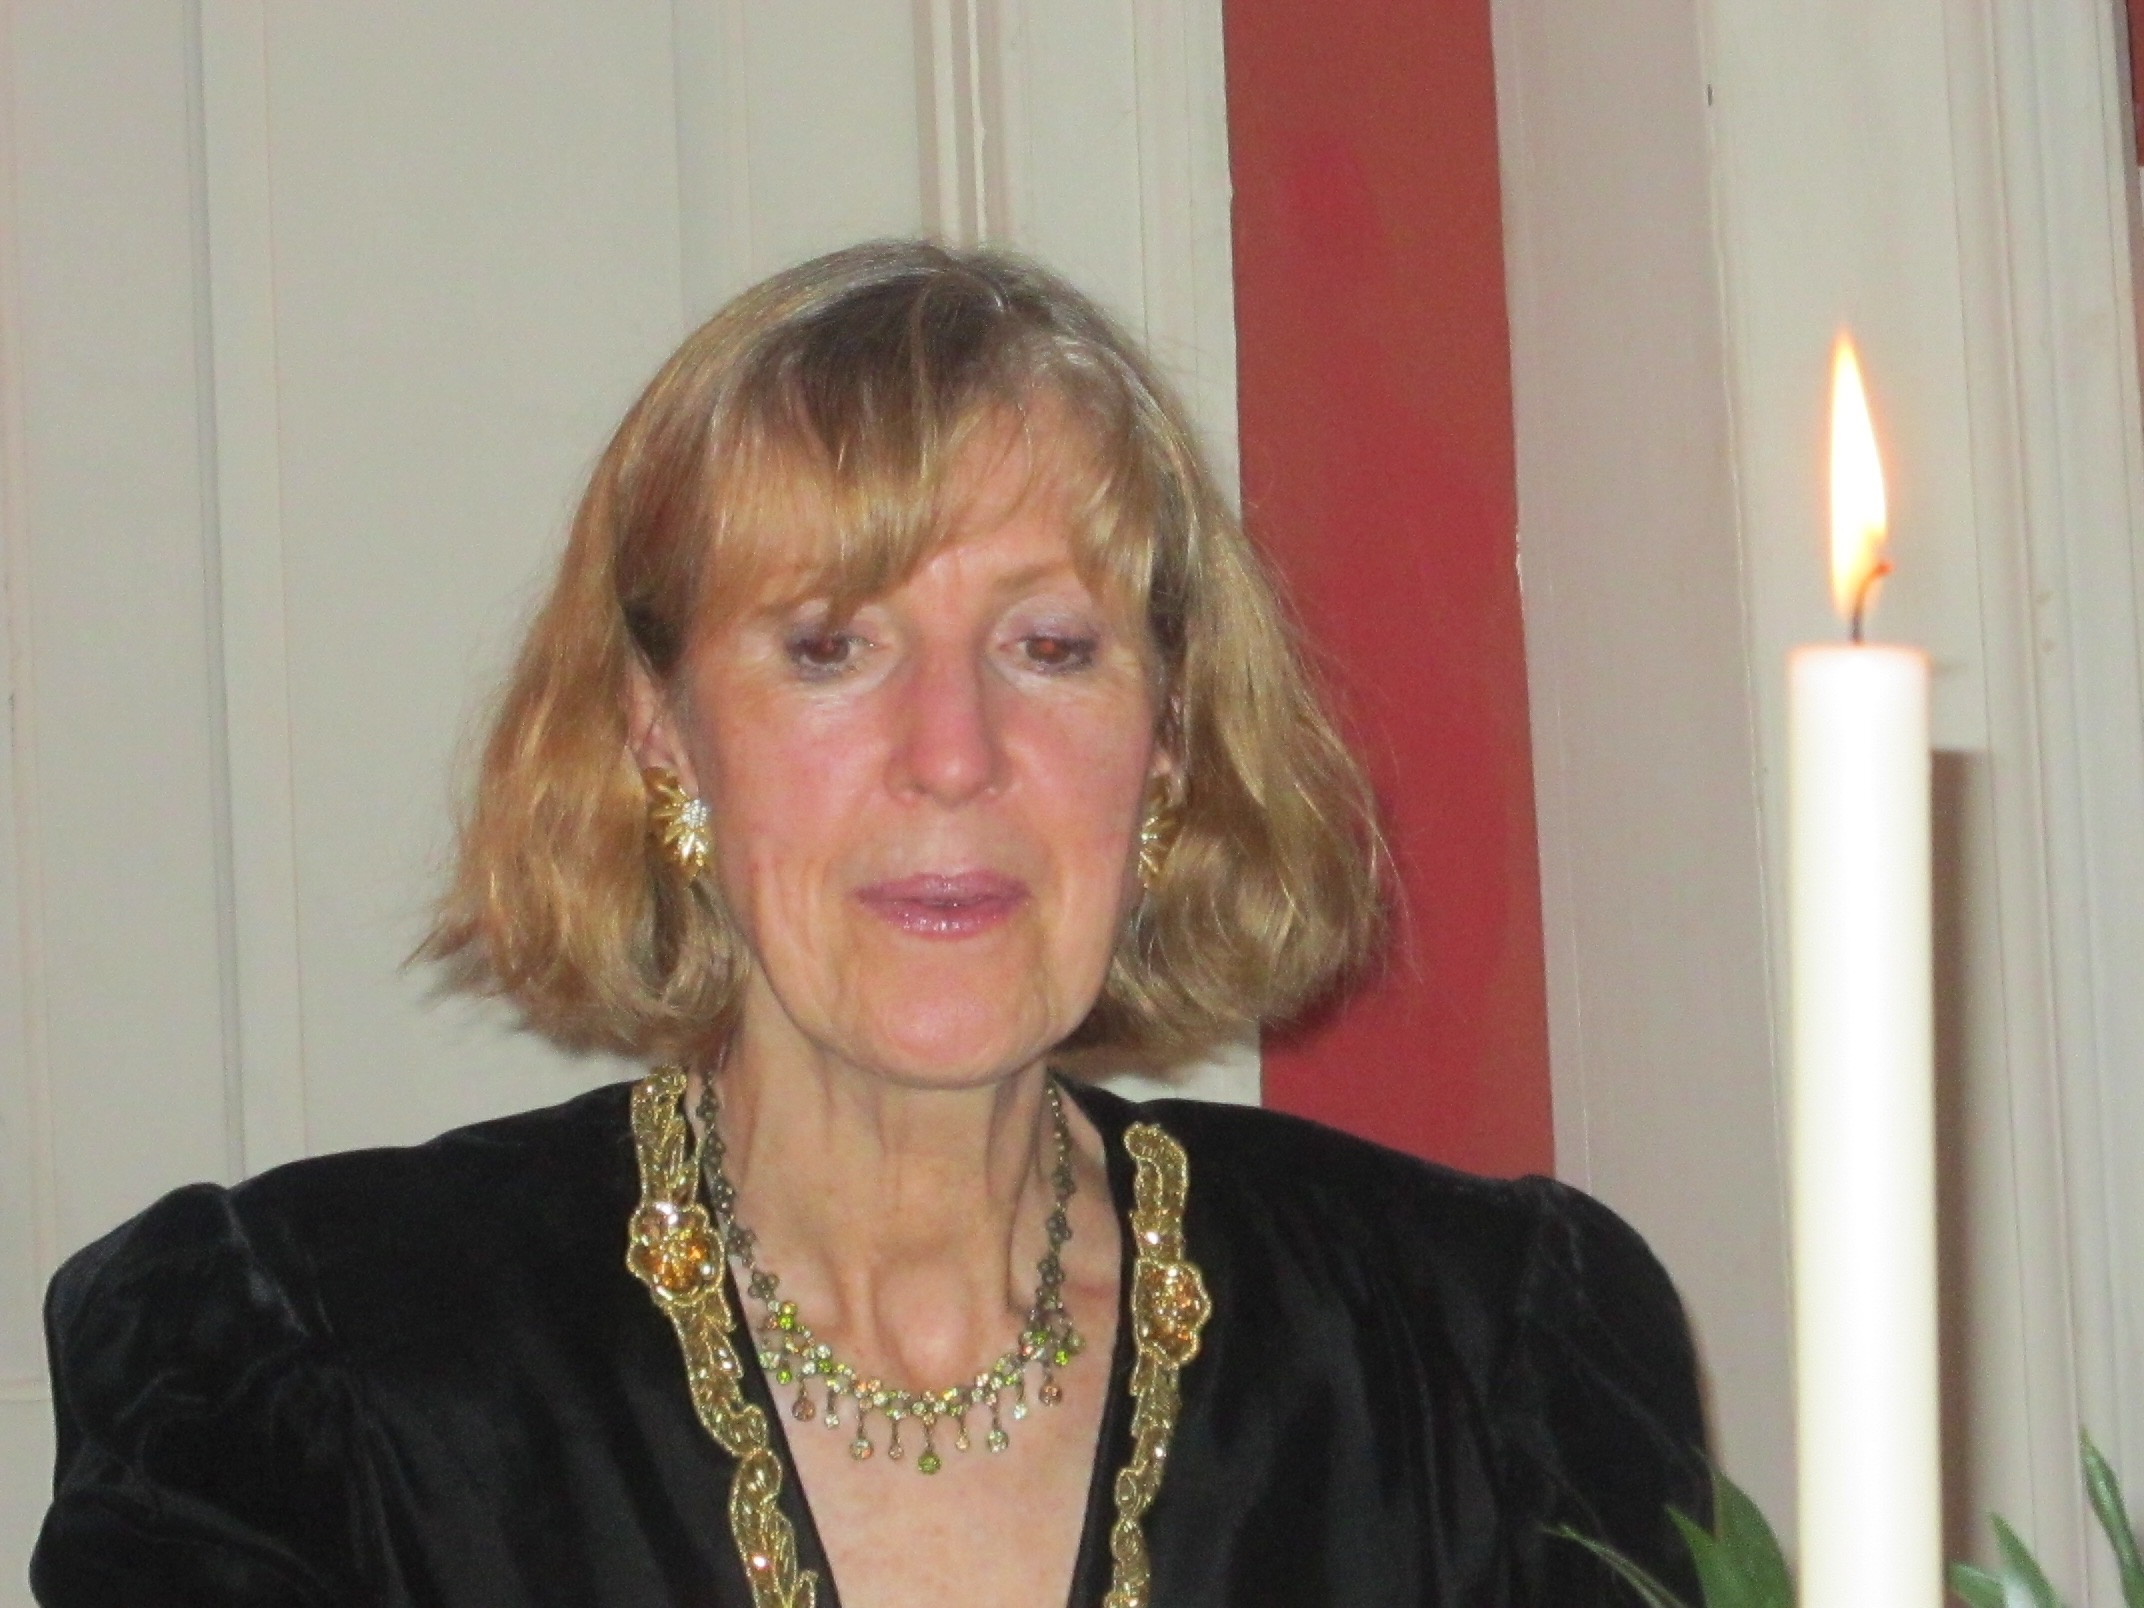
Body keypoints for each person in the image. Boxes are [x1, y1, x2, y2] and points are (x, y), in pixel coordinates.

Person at [31, 242, 1707, 1607]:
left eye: (1051, 647)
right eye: (830, 647)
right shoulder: (312, 1374)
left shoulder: (1485, 1356)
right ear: (663, 732)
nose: (954, 755)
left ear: (1169, 739)